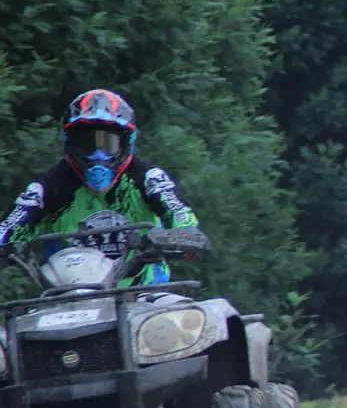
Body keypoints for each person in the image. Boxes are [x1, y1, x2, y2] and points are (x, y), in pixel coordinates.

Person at [0, 89, 202, 286]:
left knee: (197, 317)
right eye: (87, 143)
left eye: (108, 143)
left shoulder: (147, 178)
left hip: (145, 294)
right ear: (70, 142)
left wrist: (183, 234)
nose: (98, 155)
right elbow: (10, 226)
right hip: (65, 299)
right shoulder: (48, 187)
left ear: (126, 142)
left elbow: (179, 212)